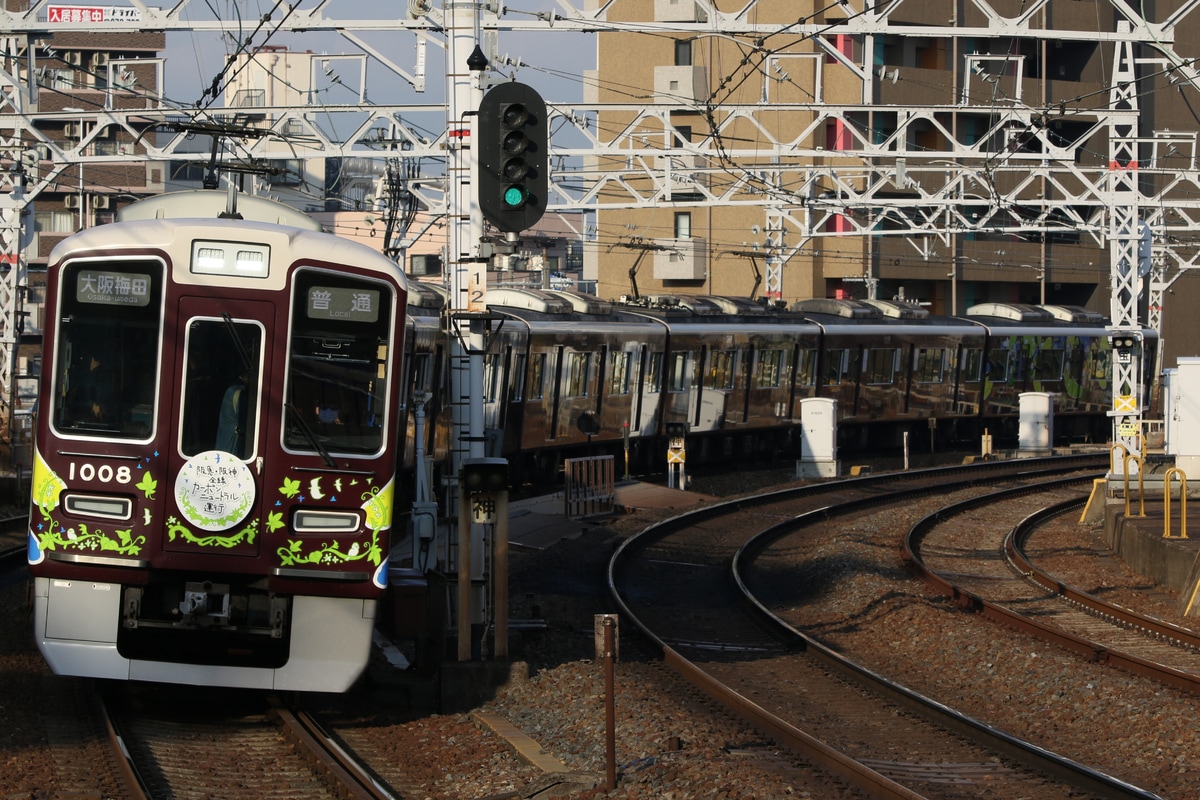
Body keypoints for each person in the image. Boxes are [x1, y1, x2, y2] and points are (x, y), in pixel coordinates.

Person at [215, 372, 249, 456]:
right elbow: (242, 421)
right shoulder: (240, 392)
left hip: (223, 442)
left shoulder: (230, 390)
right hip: (234, 443)